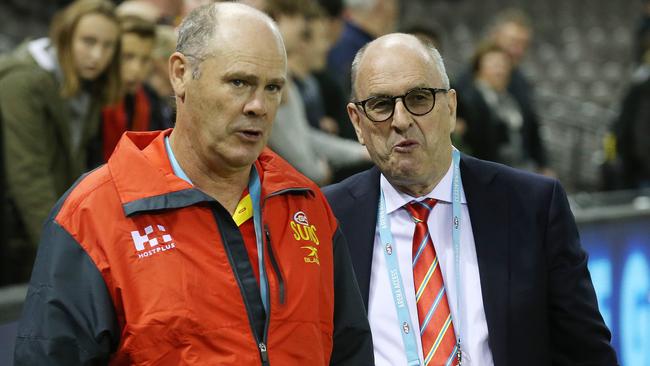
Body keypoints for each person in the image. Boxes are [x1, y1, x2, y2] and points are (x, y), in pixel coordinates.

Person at [14, 3, 373, 365]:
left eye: (273, 88)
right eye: (239, 82)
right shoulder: (93, 215)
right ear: (180, 74)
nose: (258, 106)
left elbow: (350, 350)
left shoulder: (306, 206)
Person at [324, 33, 618, 365]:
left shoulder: (531, 205)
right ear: (357, 123)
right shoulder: (327, 217)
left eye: (419, 98)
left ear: (450, 108)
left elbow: (585, 352)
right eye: (380, 105)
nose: (401, 120)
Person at [0, 0, 121, 284]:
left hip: (44, 231)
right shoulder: (22, 83)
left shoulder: (84, 88)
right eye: (88, 41)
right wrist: (63, 254)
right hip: (18, 237)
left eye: (108, 46)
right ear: (65, 36)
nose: (97, 55)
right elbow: (30, 176)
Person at [455, 8, 552, 177]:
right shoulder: (467, 84)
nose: (518, 50)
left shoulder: (521, 82)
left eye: (524, 44)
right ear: (496, 37)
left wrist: (544, 164)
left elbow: (532, 128)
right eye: (514, 42)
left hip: (520, 167)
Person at [101, 15, 173, 162]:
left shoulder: (150, 101)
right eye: (127, 57)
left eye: (145, 59)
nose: (136, 69)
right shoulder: (90, 101)